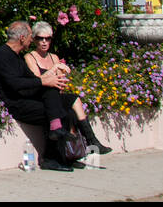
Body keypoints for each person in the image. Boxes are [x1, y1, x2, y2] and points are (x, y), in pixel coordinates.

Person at [0, 20, 81, 171]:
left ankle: (68, 155)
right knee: (55, 112)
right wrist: (43, 81)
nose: (32, 39)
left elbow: (31, 80)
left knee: (64, 105)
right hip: (13, 103)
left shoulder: (17, 56)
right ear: (22, 38)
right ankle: (50, 159)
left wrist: (49, 80)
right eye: (31, 36)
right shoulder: (2, 54)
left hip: (24, 97)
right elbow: (15, 84)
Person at [25, 21, 111, 154]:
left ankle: (92, 141)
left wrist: (62, 74)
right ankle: (75, 149)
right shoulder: (30, 57)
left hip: (55, 96)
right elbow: (38, 81)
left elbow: (60, 83)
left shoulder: (54, 57)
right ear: (34, 40)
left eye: (47, 38)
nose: (44, 42)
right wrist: (55, 68)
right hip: (40, 97)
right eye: (40, 38)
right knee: (64, 107)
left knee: (74, 100)